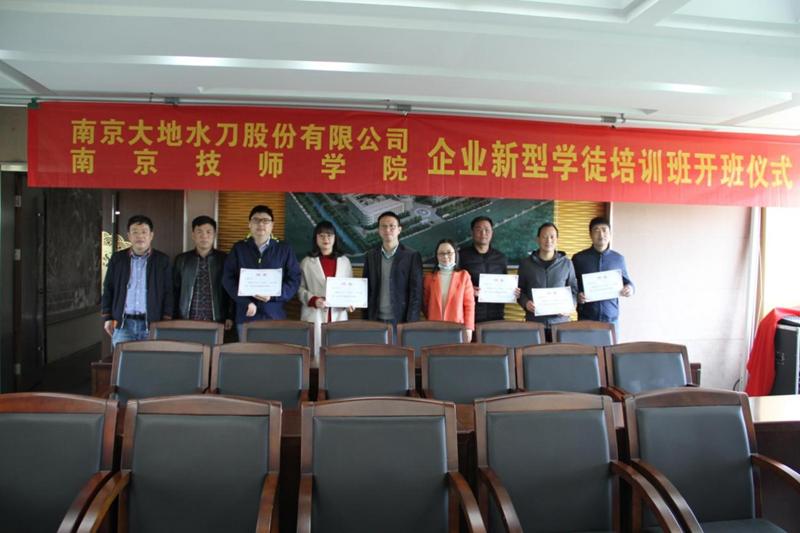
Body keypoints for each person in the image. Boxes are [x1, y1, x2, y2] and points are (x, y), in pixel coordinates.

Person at [222, 205, 302, 340]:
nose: (260, 224)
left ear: (272, 225)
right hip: (246, 316)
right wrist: (245, 302)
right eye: (256, 220)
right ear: (249, 224)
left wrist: (273, 296)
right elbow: (228, 279)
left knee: (274, 352)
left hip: (274, 316)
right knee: (248, 353)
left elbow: (294, 279)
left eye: (265, 220)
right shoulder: (239, 248)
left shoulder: (284, 249)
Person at [102, 215, 173, 348]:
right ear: (129, 235)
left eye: (144, 231)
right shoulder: (117, 259)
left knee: (151, 360)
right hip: (123, 325)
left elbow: (168, 292)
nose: (140, 236)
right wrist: (107, 317)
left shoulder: (162, 260)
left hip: (151, 324)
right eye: (135, 232)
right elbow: (108, 288)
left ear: (151, 235)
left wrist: (166, 319)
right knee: (122, 360)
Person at [298, 221, 354, 356]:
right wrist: (313, 300)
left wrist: (351, 303)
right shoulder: (306, 262)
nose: (326, 239)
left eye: (329, 235)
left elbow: (351, 288)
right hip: (314, 314)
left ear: (335, 238)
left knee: (337, 356)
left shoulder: (345, 262)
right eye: (321, 235)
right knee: (315, 357)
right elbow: (299, 288)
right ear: (315, 238)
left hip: (338, 314)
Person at [571, 216, 634, 336]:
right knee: (585, 348)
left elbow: (627, 281)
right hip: (586, 318)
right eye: (596, 230)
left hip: (611, 320)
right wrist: (578, 295)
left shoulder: (618, 258)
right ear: (590, 234)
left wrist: (630, 288)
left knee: (610, 349)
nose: (601, 234)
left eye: (604, 230)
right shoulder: (579, 258)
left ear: (610, 234)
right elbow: (571, 285)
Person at [362, 211, 423, 330]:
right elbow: (366, 289)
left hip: (401, 320)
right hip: (375, 319)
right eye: (383, 226)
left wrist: (411, 323)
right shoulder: (370, 256)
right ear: (378, 230)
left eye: (391, 226)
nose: (387, 229)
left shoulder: (412, 256)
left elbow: (416, 293)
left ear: (399, 229)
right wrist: (365, 319)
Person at [517, 222, 578, 341]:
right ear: (538, 239)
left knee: (559, 352)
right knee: (534, 352)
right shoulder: (526, 264)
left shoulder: (567, 263)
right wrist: (526, 303)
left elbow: (574, 290)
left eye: (552, 237)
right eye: (544, 236)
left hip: (560, 323)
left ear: (557, 239)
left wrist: (569, 307)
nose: (548, 240)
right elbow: (519, 290)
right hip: (534, 323)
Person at [173, 215, 233, 330]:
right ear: (193, 235)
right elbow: (174, 290)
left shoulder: (224, 259)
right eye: (199, 232)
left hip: (216, 319)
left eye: (208, 232)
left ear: (214, 234)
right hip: (187, 318)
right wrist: (173, 316)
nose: (204, 236)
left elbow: (230, 289)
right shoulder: (182, 260)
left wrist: (230, 316)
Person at [458, 216, 519, 326]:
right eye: (479, 229)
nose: (483, 233)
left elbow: (506, 285)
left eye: (487, 229)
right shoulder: (461, 257)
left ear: (492, 232)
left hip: (497, 317)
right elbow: (454, 287)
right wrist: (468, 290)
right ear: (472, 233)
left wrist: (513, 291)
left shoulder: (501, 258)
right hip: (470, 318)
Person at [423, 238, 475, 342]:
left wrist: (469, 329)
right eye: (441, 253)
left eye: (449, 253)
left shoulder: (464, 276)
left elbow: (469, 305)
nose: (445, 256)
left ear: (455, 254)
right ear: (437, 256)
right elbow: (425, 304)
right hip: (434, 328)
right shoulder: (429, 278)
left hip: (458, 329)